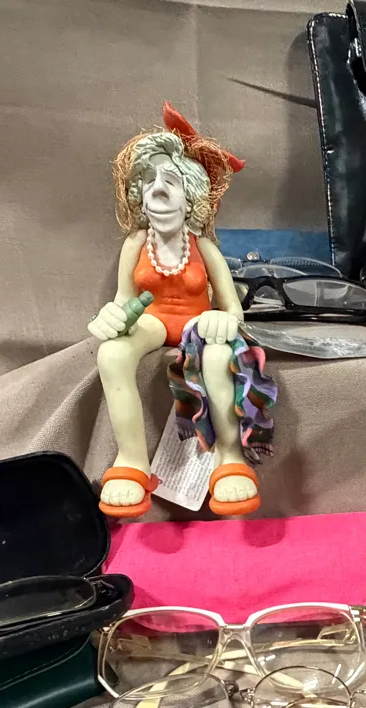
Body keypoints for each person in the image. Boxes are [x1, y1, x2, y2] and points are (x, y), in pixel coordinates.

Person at [87, 103, 276, 518]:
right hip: (153, 322)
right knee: (112, 354)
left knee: (218, 356)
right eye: (149, 180)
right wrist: (112, 317)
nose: (157, 190)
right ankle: (132, 461)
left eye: (170, 180)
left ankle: (229, 458)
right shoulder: (136, 244)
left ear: (190, 197)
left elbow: (232, 306)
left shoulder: (203, 247)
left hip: (197, 325)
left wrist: (224, 318)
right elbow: (123, 298)